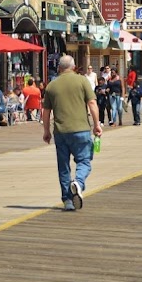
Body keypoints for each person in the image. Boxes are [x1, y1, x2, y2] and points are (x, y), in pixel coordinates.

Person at [41, 55, 101, 211]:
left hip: (60, 132)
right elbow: (92, 103)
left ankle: (67, 200)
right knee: (84, 161)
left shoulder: (51, 86)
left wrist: (46, 131)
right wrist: (97, 125)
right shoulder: (82, 81)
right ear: (74, 67)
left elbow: (46, 111)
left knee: (63, 167)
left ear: (59, 68)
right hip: (81, 130)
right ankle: (79, 182)